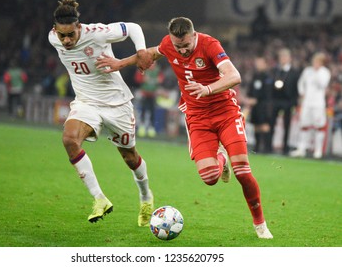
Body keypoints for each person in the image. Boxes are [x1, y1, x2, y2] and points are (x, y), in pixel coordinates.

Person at [97, 17, 273, 239]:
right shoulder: (169, 44)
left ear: (194, 35)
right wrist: (119, 64)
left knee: (242, 171)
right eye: (177, 46)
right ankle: (221, 158)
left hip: (225, 113)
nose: (181, 50)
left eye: (186, 45)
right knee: (209, 177)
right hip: (198, 118)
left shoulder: (210, 45)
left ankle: (260, 224)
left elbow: (234, 76)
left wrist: (207, 89)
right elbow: (150, 53)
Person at [48, 0, 154, 226]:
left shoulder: (97, 33)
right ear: (55, 30)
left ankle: (146, 196)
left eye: (71, 35)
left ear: (79, 27)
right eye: (62, 35)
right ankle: (99, 199)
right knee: (69, 139)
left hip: (117, 104)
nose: (66, 40)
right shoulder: (52, 38)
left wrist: (141, 51)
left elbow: (133, 28)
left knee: (129, 156)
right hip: (86, 103)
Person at [290, 52, 331, 159]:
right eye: (314, 61)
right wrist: (302, 92)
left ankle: (318, 150)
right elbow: (301, 82)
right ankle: (301, 149)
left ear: (322, 63)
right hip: (307, 102)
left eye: (318, 61)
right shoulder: (307, 71)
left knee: (319, 126)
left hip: (318, 103)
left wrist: (317, 72)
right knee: (304, 124)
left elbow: (323, 84)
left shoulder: (325, 72)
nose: (315, 63)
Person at [268, 48, 301, 154]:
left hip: (288, 101)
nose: (283, 59)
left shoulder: (294, 72)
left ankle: (285, 147)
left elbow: (296, 89)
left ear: (289, 58)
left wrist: (294, 103)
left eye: (285, 57)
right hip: (276, 100)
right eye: (281, 57)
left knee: (287, 125)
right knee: (272, 123)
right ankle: (269, 146)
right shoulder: (274, 71)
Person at [246, 56, 274, 153]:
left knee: (264, 125)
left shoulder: (268, 77)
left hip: (264, 105)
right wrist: (249, 98)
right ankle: (257, 148)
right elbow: (251, 89)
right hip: (255, 106)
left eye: (260, 63)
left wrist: (256, 99)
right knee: (256, 126)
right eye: (257, 62)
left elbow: (268, 92)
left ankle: (267, 148)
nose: (258, 65)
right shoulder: (255, 76)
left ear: (265, 64)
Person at [134, 61, 164, 138]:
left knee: (152, 111)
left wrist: (156, 81)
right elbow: (137, 79)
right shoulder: (143, 70)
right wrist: (143, 78)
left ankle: (151, 128)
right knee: (143, 110)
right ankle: (142, 127)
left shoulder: (157, 70)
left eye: (154, 63)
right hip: (144, 93)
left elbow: (161, 79)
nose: (152, 65)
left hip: (153, 94)